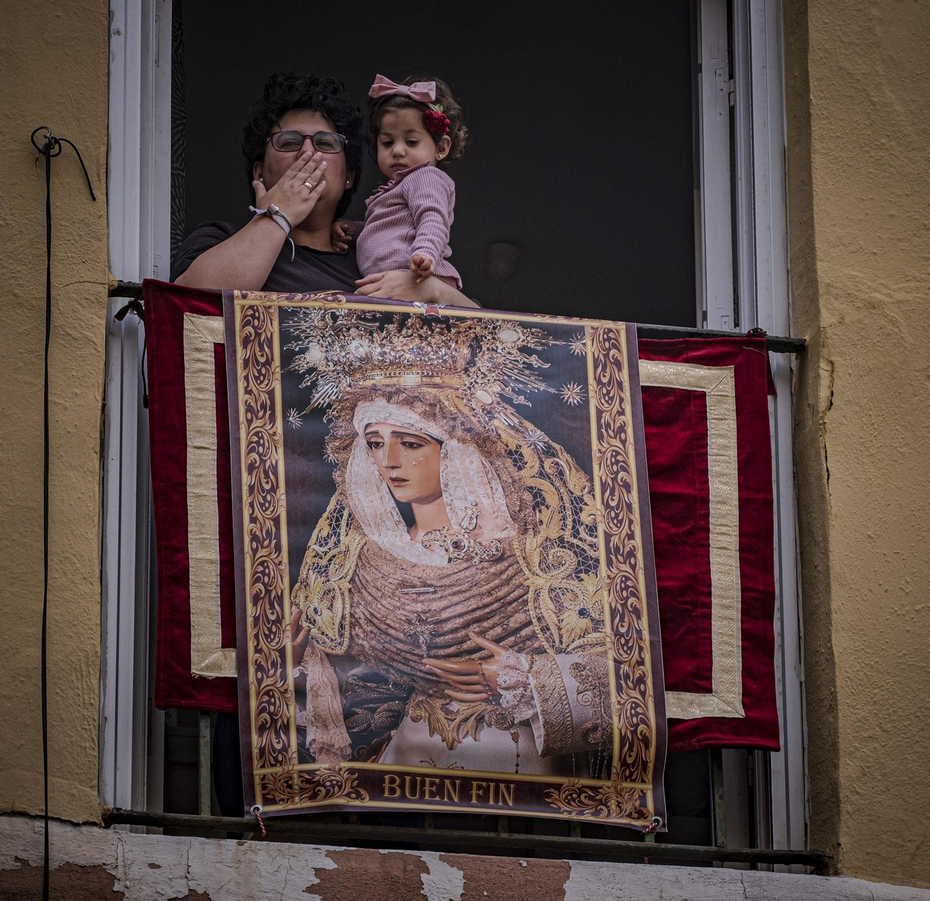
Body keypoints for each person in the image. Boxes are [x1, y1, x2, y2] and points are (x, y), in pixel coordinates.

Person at [284, 308, 611, 778]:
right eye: (375, 443)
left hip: (517, 765)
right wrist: (300, 667)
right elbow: (351, 697)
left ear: (457, 449)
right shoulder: (355, 563)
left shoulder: (535, 552)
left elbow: (621, 669)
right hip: (400, 774)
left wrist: (527, 680)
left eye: (412, 442)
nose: (389, 461)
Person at [172, 73, 475, 307]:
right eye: (290, 142)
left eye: (325, 144)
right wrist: (278, 215)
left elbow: (486, 330)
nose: (308, 154)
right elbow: (186, 306)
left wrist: (431, 290)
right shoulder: (220, 239)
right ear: (259, 171)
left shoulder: (382, 252)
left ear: (349, 177)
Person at [347, 74, 468, 290]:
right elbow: (390, 227)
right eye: (387, 142)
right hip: (399, 282)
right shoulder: (398, 188)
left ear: (441, 148)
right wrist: (352, 231)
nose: (398, 150)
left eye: (411, 142)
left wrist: (425, 251)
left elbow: (432, 217)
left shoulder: (424, 176)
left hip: (417, 278)